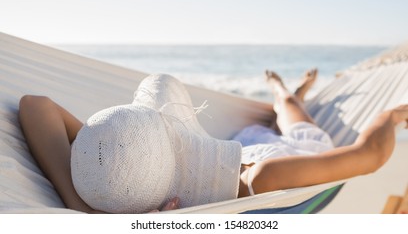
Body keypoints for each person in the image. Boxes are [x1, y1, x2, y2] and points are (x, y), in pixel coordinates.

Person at [18, 70, 408, 213]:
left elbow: (35, 106)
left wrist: (79, 202)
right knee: (292, 115)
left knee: (285, 108)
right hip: (296, 155)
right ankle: (284, 90)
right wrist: (391, 115)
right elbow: (368, 155)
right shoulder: (265, 178)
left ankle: (284, 89)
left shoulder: (116, 173)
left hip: (239, 146)